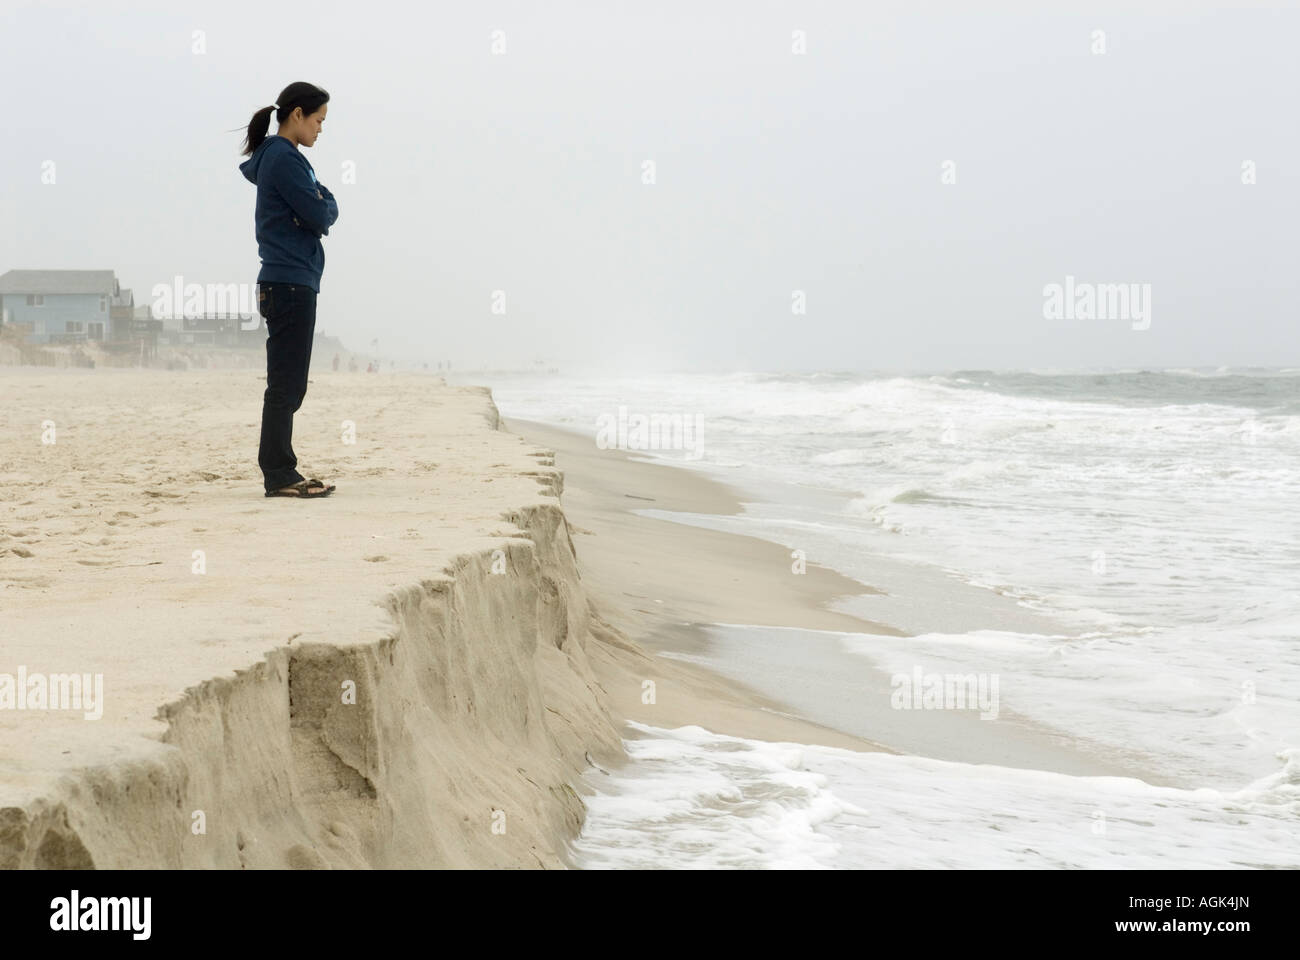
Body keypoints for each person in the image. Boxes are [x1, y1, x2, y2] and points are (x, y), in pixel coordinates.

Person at [239, 81, 339, 499]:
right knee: (286, 383)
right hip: (289, 281)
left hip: (289, 280)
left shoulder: (284, 158)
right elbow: (322, 211)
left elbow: (319, 208)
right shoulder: (283, 158)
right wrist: (323, 203)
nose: (320, 130)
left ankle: (281, 468)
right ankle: (279, 473)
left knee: (289, 382)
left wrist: (320, 204)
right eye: (318, 121)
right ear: (296, 115)